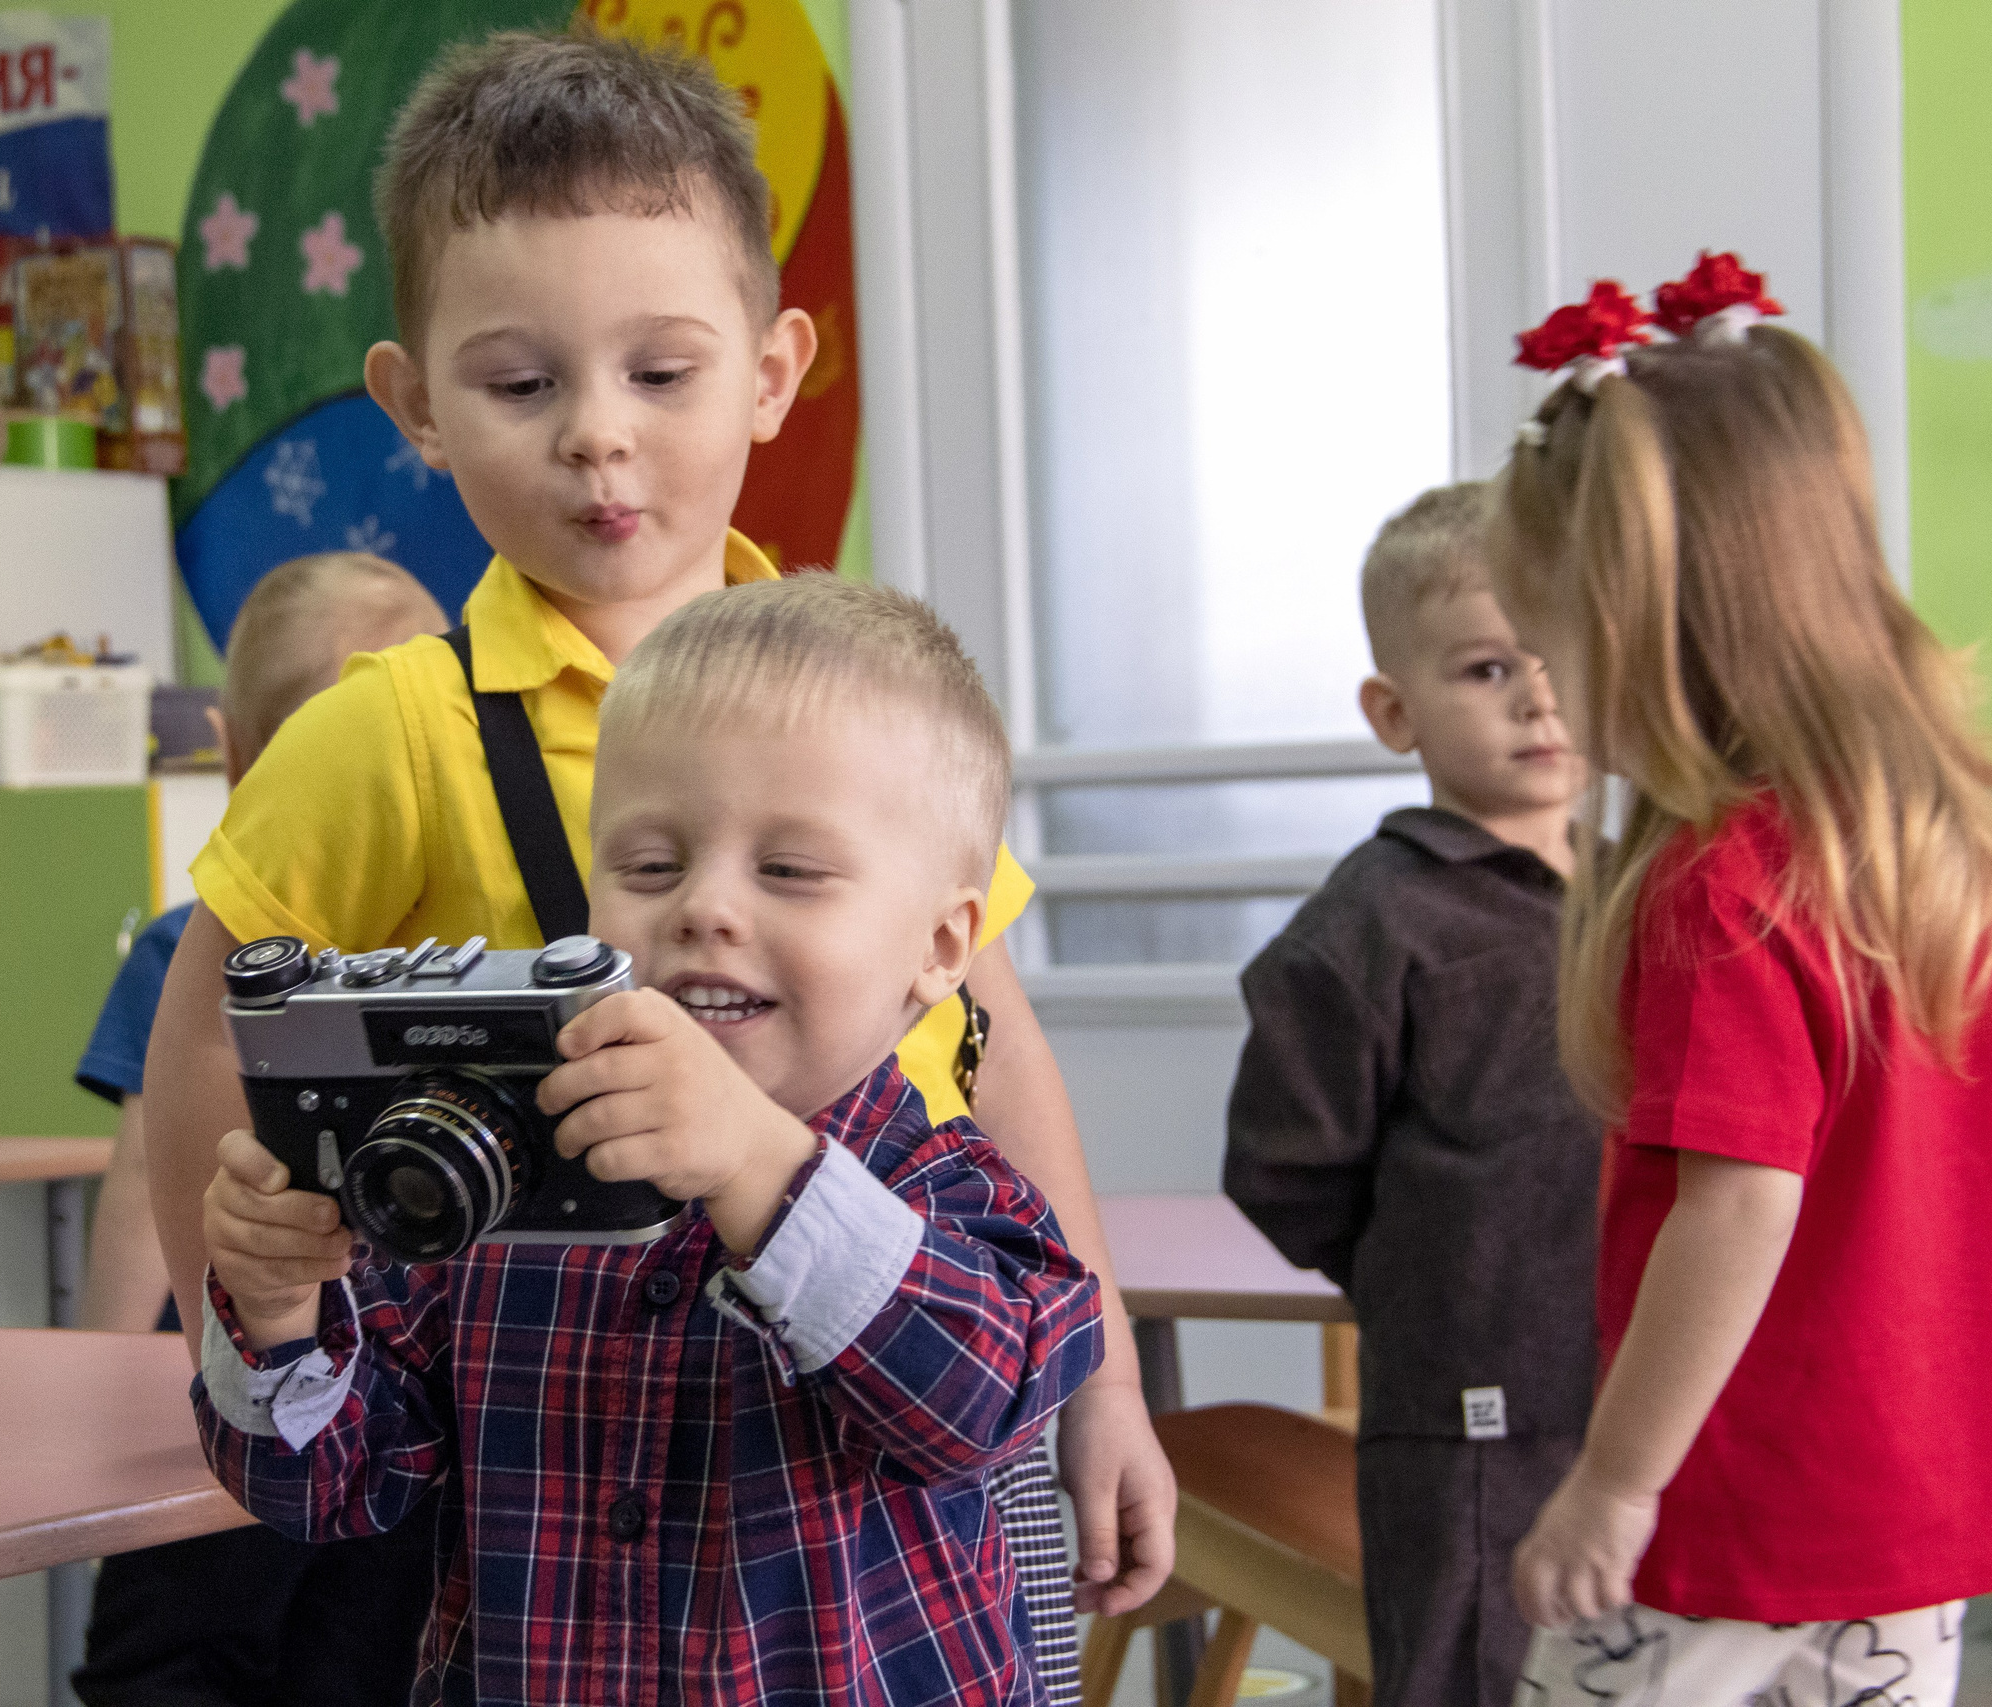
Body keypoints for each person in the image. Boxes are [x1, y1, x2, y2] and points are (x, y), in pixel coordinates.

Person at [135, 35, 1172, 1693]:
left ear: (771, 370)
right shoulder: (388, 726)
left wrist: (1102, 1373)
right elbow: (212, 1027)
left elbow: (994, 1046)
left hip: (914, 1374)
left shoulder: (866, 698)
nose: (598, 440)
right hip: (560, 1385)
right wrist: (249, 1285)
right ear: (415, 404)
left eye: (662, 373)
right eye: (522, 384)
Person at [194, 576, 1105, 1703]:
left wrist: (754, 1165)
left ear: (939, 947)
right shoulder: (505, 1190)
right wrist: (277, 1316)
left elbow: (980, 1403)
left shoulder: (951, 1189)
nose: (703, 908)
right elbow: (329, 1492)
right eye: (649, 867)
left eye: (789, 870)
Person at [1490, 260, 1992, 1706]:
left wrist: (1614, 1484)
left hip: (1732, 1504)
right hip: (1907, 1513)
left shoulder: (1724, 889)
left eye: (1546, 640)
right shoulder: (1931, 847)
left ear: (1652, 629)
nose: (1544, 687)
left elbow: (1740, 1204)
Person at [1224, 482, 1598, 1707]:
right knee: (1471, 1671)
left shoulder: (1649, 888)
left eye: (1562, 657)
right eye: (1488, 669)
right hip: (1467, 1419)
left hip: (1644, 1396)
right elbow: (1286, 1171)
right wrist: (1435, 1279)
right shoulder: (1371, 923)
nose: (1539, 698)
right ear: (1394, 712)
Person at [70, 551, 447, 1707]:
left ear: (233, 753)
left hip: (249, 1375)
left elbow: (141, 1178)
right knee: (359, 1658)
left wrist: (99, 1366)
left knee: (174, 1662)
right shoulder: (452, 962)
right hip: (389, 1391)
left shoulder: (201, 943)